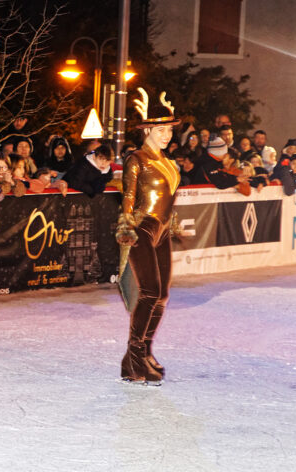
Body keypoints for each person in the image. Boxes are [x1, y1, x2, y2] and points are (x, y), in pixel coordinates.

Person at [116, 88, 181, 384]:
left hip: (163, 229)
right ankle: (134, 358)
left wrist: (172, 224)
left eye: (169, 129)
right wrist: (126, 229)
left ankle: (145, 352)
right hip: (142, 227)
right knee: (150, 292)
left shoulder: (169, 162)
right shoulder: (137, 159)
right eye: (162, 129)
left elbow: (168, 198)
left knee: (162, 294)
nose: (167, 134)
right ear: (148, 130)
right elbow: (128, 198)